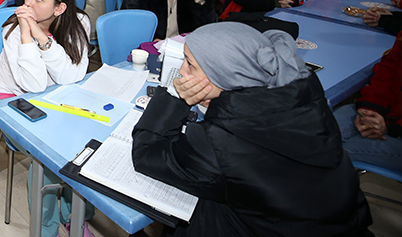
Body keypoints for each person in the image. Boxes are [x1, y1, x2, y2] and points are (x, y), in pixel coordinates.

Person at [132, 23, 373, 237]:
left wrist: (177, 97)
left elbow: (146, 155)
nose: (182, 72)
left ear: (224, 75)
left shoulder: (222, 141)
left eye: (191, 65)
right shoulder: (308, 104)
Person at [0, 0, 93, 237]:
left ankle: (75, 216)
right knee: (48, 157)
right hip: (12, 101)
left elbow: (71, 76)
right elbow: (32, 86)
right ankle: (46, 228)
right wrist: (27, 33)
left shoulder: (79, 22)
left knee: (86, 146)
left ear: (59, 8)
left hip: (56, 97)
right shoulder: (13, 29)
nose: (27, 3)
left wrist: (43, 39)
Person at [334, 32, 402, 172]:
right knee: (317, 130)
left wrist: (391, 127)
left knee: (335, 153)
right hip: (388, 112)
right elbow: (388, 71)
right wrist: (370, 109)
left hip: (396, 128)